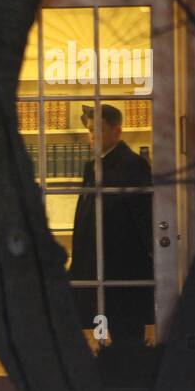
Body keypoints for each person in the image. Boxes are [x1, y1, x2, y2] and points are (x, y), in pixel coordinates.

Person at [69, 103, 154, 352]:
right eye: (89, 130)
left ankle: (125, 374)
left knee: (125, 328)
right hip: (94, 259)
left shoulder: (133, 165)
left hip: (121, 263)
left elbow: (142, 216)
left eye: (99, 130)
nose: (92, 135)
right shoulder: (92, 166)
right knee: (100, 326)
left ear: (117, 131)